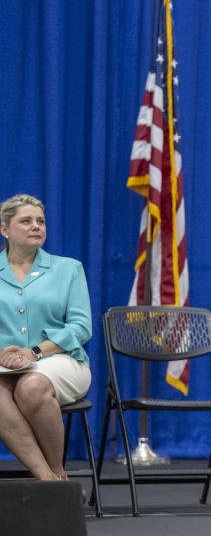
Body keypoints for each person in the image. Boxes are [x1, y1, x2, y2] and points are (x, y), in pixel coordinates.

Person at [0, 194, 92, 482]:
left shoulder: (68, 269)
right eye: (26, 221)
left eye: (40, 221)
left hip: (60, 360)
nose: (36, 226)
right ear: (5, 230)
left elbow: (81, 327)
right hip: (4, 365)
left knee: (31, 387)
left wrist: (34, 352)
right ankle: (48, 479)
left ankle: (57, 472)